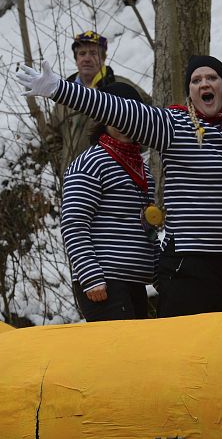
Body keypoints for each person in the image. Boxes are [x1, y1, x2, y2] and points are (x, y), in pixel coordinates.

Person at [18, 55, 222, 317]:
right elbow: (114, 108)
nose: (205, 83)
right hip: (192, 266)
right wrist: (58, 88)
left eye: (212, 77)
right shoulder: (171, 125)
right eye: (196, 80)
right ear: (189, 92)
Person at [61, 82, 158, 321]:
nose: (124, 120)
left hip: (135, 280)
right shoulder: (90, 163)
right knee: (121, 355)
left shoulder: (140, 166)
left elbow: (145, 226)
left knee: (138, 354)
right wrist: (91, 276)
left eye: (131, 113)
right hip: (103, 283)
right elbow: (73, 223)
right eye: (117, 113)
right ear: (104, 116)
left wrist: (158, 269)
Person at [50, 31, 116, 175]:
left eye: (93, 53)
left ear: (103, 58)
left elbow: (149, 120)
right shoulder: (64, 94)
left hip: (110, 183)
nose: (87, 58)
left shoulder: (119, 88)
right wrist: (61, 164)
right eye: (82, 53)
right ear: (76, 59)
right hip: (71, 181)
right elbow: (52, 134)